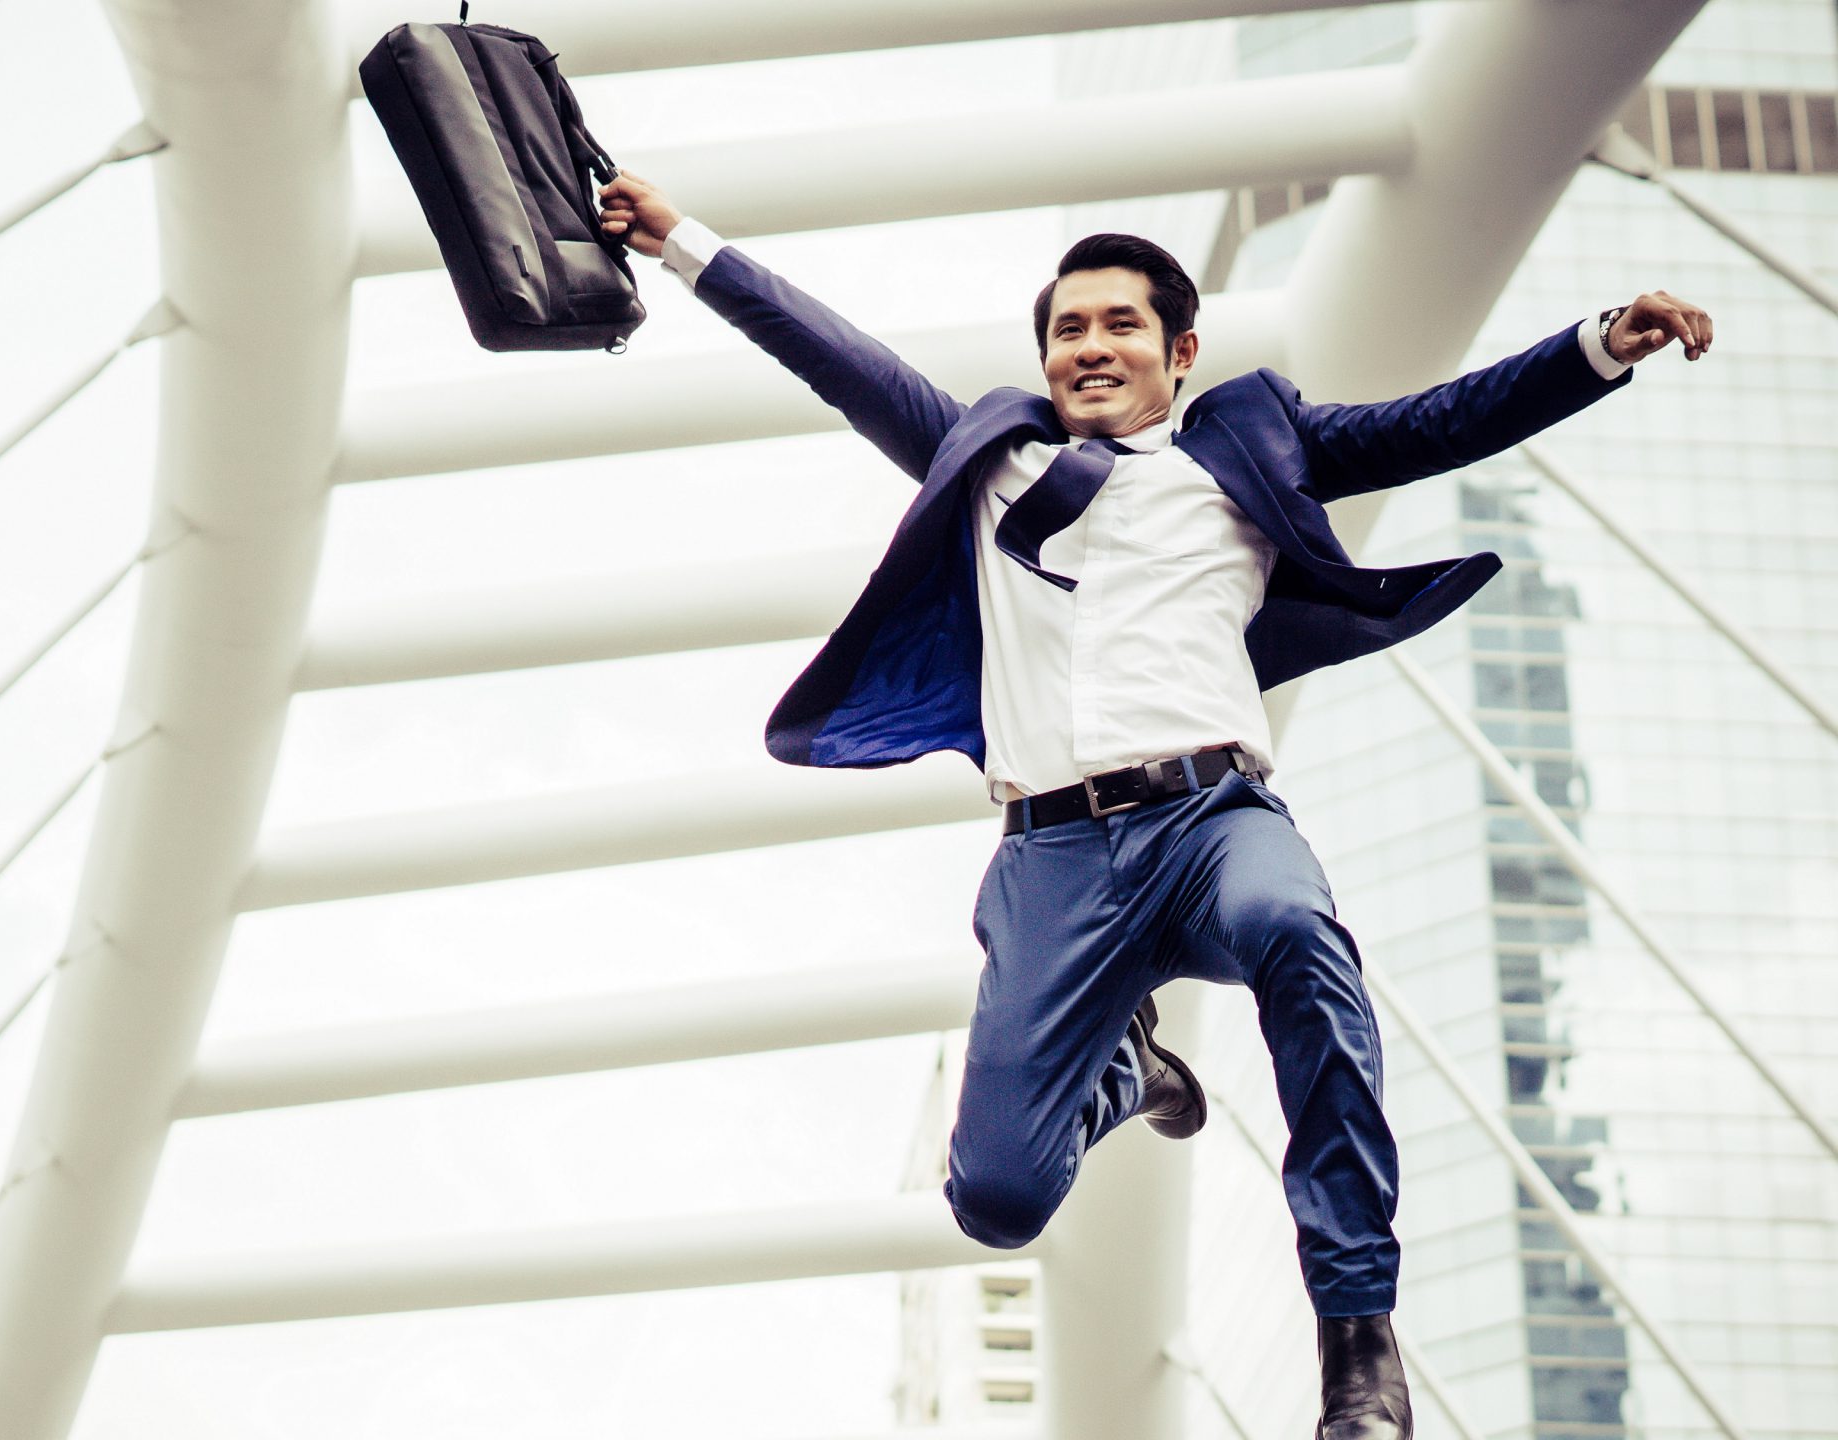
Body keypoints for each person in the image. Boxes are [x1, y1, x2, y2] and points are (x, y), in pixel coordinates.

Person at [596, 170, 1711, 1440]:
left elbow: (1431, 424)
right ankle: (1122, 1072)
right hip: (1053, 860)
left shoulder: (1248, 451)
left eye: (1117, 325)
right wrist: (678, 242)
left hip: (1210, 823)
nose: (1089, 349)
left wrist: (1598, 349)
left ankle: (1356, 1341)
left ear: (1178, 352)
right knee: (998, 1200)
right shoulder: (993, 467)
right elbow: (837, 358)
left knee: (1300, 940)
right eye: (1067, 330)